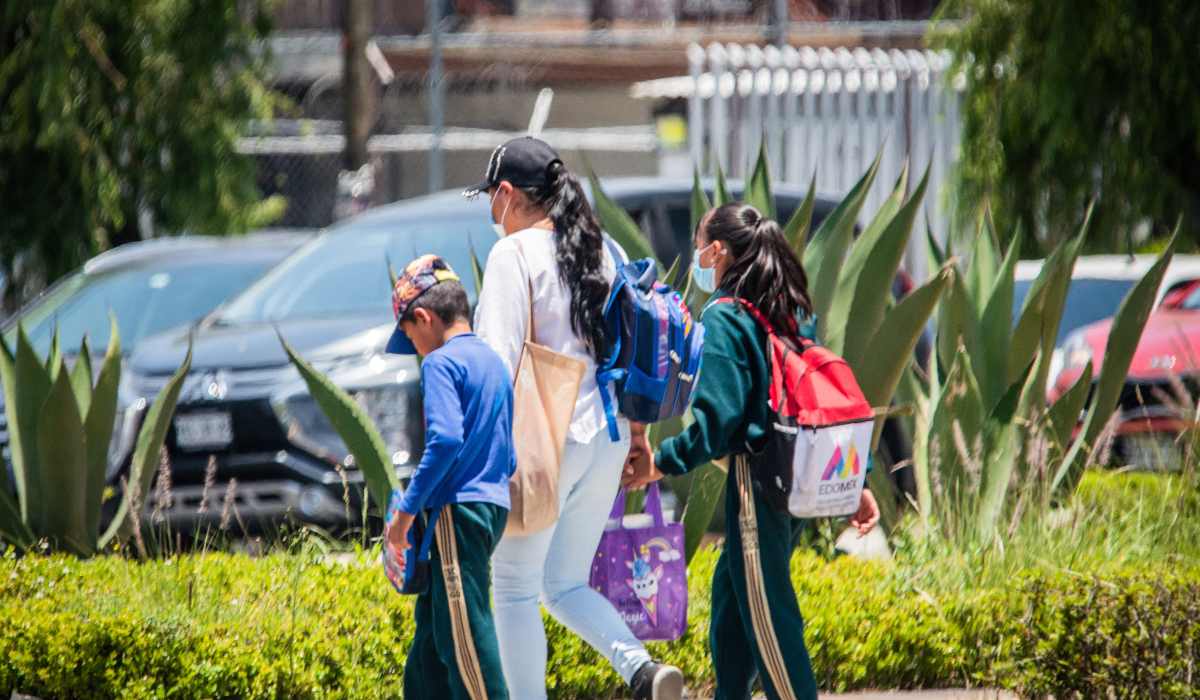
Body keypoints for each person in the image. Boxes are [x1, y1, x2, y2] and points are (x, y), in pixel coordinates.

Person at [625, 202, 881, 700]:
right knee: (730, 606)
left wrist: (661, 463)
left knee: (771, 621)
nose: (696, 255)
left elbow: (717, 420)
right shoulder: (785, 312)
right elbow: (819, 399)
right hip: (794, 478)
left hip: (756, 483)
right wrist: (858, 482)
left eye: (699, 245)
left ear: (718, 251)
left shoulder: (725, 319)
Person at [468, 136, 685, 700]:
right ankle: (641, 669)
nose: (491, 211)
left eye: (490, 197)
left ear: (509, 194)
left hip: (545, 439)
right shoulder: (602, 247)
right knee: (560, 583)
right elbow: (630, 344)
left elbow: (494, 363)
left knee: (512, 588)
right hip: (608, 436)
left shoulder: (510, 255)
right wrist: (639, 436)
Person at [383, 255, 515, 700]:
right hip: (489, 506)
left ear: (423, 317)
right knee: (434, 635)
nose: (415, 348)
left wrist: (406, 512)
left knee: (466, 637)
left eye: (409, 337)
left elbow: (443, 442)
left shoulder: (440, 363)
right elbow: (508, 455)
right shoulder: (494, 364)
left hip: (457, 514)